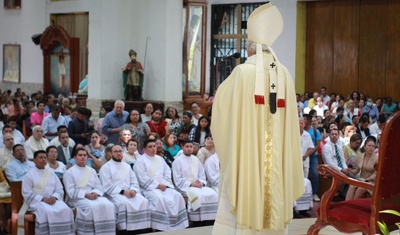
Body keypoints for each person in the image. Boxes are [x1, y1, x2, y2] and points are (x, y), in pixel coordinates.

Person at [211, 3, 304, 234]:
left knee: (244, 184)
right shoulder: (284, 74)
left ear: (251, 48)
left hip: (248, 155)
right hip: (276, 158)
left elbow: (221, 112)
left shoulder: (242, 73)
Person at [134, 139, 188, 231]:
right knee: (159, 199)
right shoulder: (140, 161)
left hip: (164, 186)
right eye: (150, 147)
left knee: (177, 196)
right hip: (149, 189)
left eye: (154, 146)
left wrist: (164, 184)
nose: (153, 149)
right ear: (144, 149)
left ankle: (178, 226)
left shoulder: (160, 159)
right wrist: (157, 185)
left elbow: (167, 172)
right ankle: (160, 227)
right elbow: (142, 177)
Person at [99, 144, 151, 233]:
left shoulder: (127, 166)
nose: (118, 153)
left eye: (120, 151)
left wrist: (134, 190)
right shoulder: (106, 167)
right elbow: (107, 186)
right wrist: (123, 192)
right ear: (110, 154)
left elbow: (134, 181)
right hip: (114, 194)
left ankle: (142, 229)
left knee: (143, 201)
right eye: (115, 152)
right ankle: (124, 230)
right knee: (122, 204)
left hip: (130, 192)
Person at [63, 148, 116, 234]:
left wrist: (96, 192)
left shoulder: (92, 171)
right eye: (80, 155)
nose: (83, 157)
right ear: (75, 158)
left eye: (84, 155)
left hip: (93, 195)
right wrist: (86, 194)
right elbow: (70, 191)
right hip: (77, 198)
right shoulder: (69, 173)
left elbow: (98, 186)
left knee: (108, 204)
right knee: (90, 207)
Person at [21, 150, 74, 235]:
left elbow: (59, 188)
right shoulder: (29, 175)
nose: (43, 159)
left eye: (45, 158)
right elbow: (27, 193)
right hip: (38, 202)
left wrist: (54, 197)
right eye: (40, 157)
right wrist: (43, 198)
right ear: (34, 160)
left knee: (66, 209)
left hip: (53, 200)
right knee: (45, 211)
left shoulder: (51, 173)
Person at [172, 140, 218, 222]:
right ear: (182, 147)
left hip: (198, 185)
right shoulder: (177, 161)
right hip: (186, 187)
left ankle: (210, 219)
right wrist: (191, 184)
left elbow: (202, 175)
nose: (189, 149)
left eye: (191, 147)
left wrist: (201, 182)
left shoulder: (195, 159)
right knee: (198, 196)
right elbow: (177, 179)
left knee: (213, 194)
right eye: (187, 147)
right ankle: (197, 220)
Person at [0, 168, 11, 235]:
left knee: (10, 200)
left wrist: (8, 187)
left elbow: (3, 179)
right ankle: (3, 227)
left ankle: (6, 225)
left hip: (1, 191)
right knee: (1, 204)